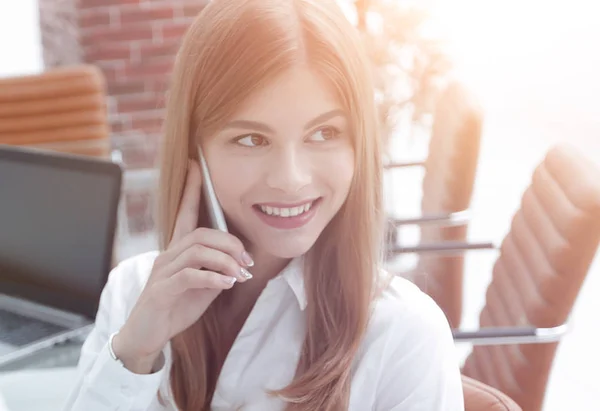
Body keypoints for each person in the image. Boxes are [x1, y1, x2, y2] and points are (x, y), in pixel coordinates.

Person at [63, 0, 464, 410]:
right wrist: (135, 351)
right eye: (251, 139)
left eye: (324, 132)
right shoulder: (133, 292)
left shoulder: (403, 334)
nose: (291, 178)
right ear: (196, 151)